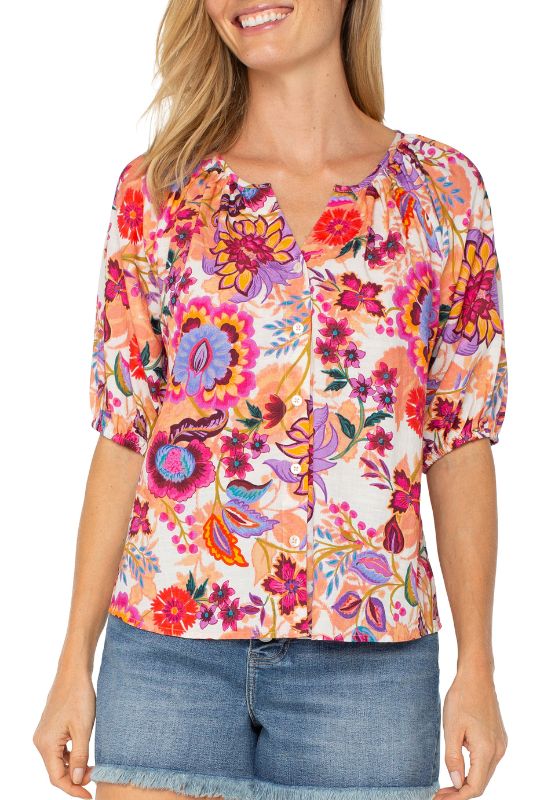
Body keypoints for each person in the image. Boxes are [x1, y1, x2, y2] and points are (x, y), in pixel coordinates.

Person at [33, 2, 509, 799]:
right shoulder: (159, 192)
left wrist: (479, 669)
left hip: (369, 666)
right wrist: (71, 665)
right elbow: (125, 432)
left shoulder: (440, 191)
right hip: (166, 651)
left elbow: (458, 438)